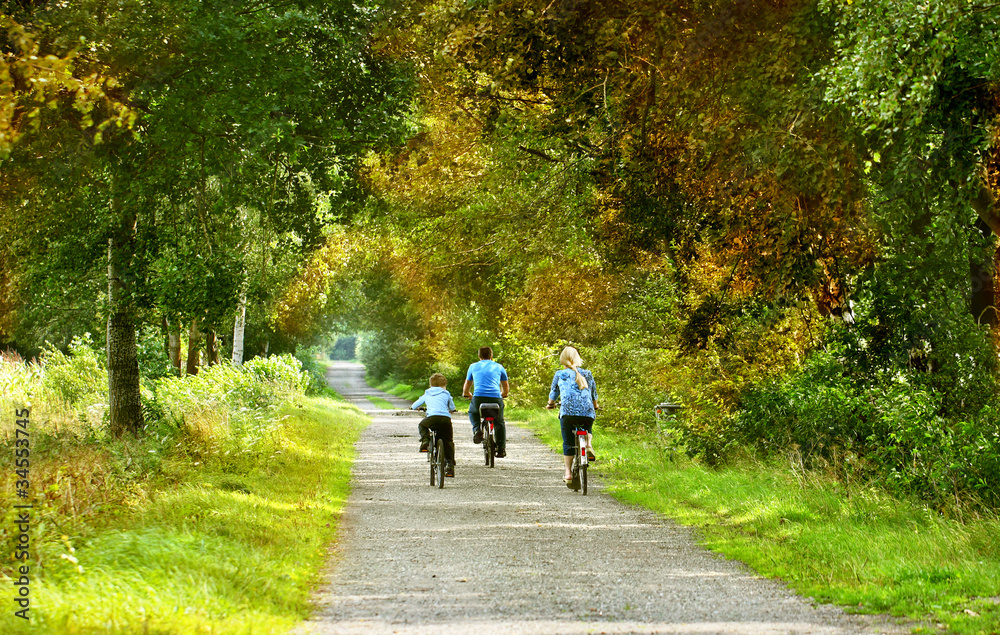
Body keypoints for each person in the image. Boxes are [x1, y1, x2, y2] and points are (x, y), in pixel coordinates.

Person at [546, 346, 599, 486]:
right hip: (587, 412)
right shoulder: (587, 374)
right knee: (588, 429)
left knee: (568, 443)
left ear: (562, 360)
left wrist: (550, 404)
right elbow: (593, 393)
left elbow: (553, 393)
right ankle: (587, 444)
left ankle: (568, 473)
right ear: (577, 359)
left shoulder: (560, 374)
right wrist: (595, 406)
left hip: (567, 413)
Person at [462, 346, 510, 458]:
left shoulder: (473, 366)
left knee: (472, 412)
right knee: (499, 422)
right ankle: (501, 449)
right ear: (491, 356)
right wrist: (503, 395)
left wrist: (467, 394)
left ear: (479, 356)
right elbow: (505, 386)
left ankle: (477, 430)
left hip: (478, 397)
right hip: (495, 397)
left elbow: (468, 384)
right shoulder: (499, 367)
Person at [411, 373, 457, 477]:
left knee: (422, 425)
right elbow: (452, 407)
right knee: (448, 441)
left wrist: (416, 408)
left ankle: (425, 441)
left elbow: (414, 405)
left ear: (431, 385)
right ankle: (449, 466)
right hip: (445, 419)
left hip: (432, 418)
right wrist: (451, 410)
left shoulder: (427, 393)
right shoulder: (446, 393)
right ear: (443, 385)